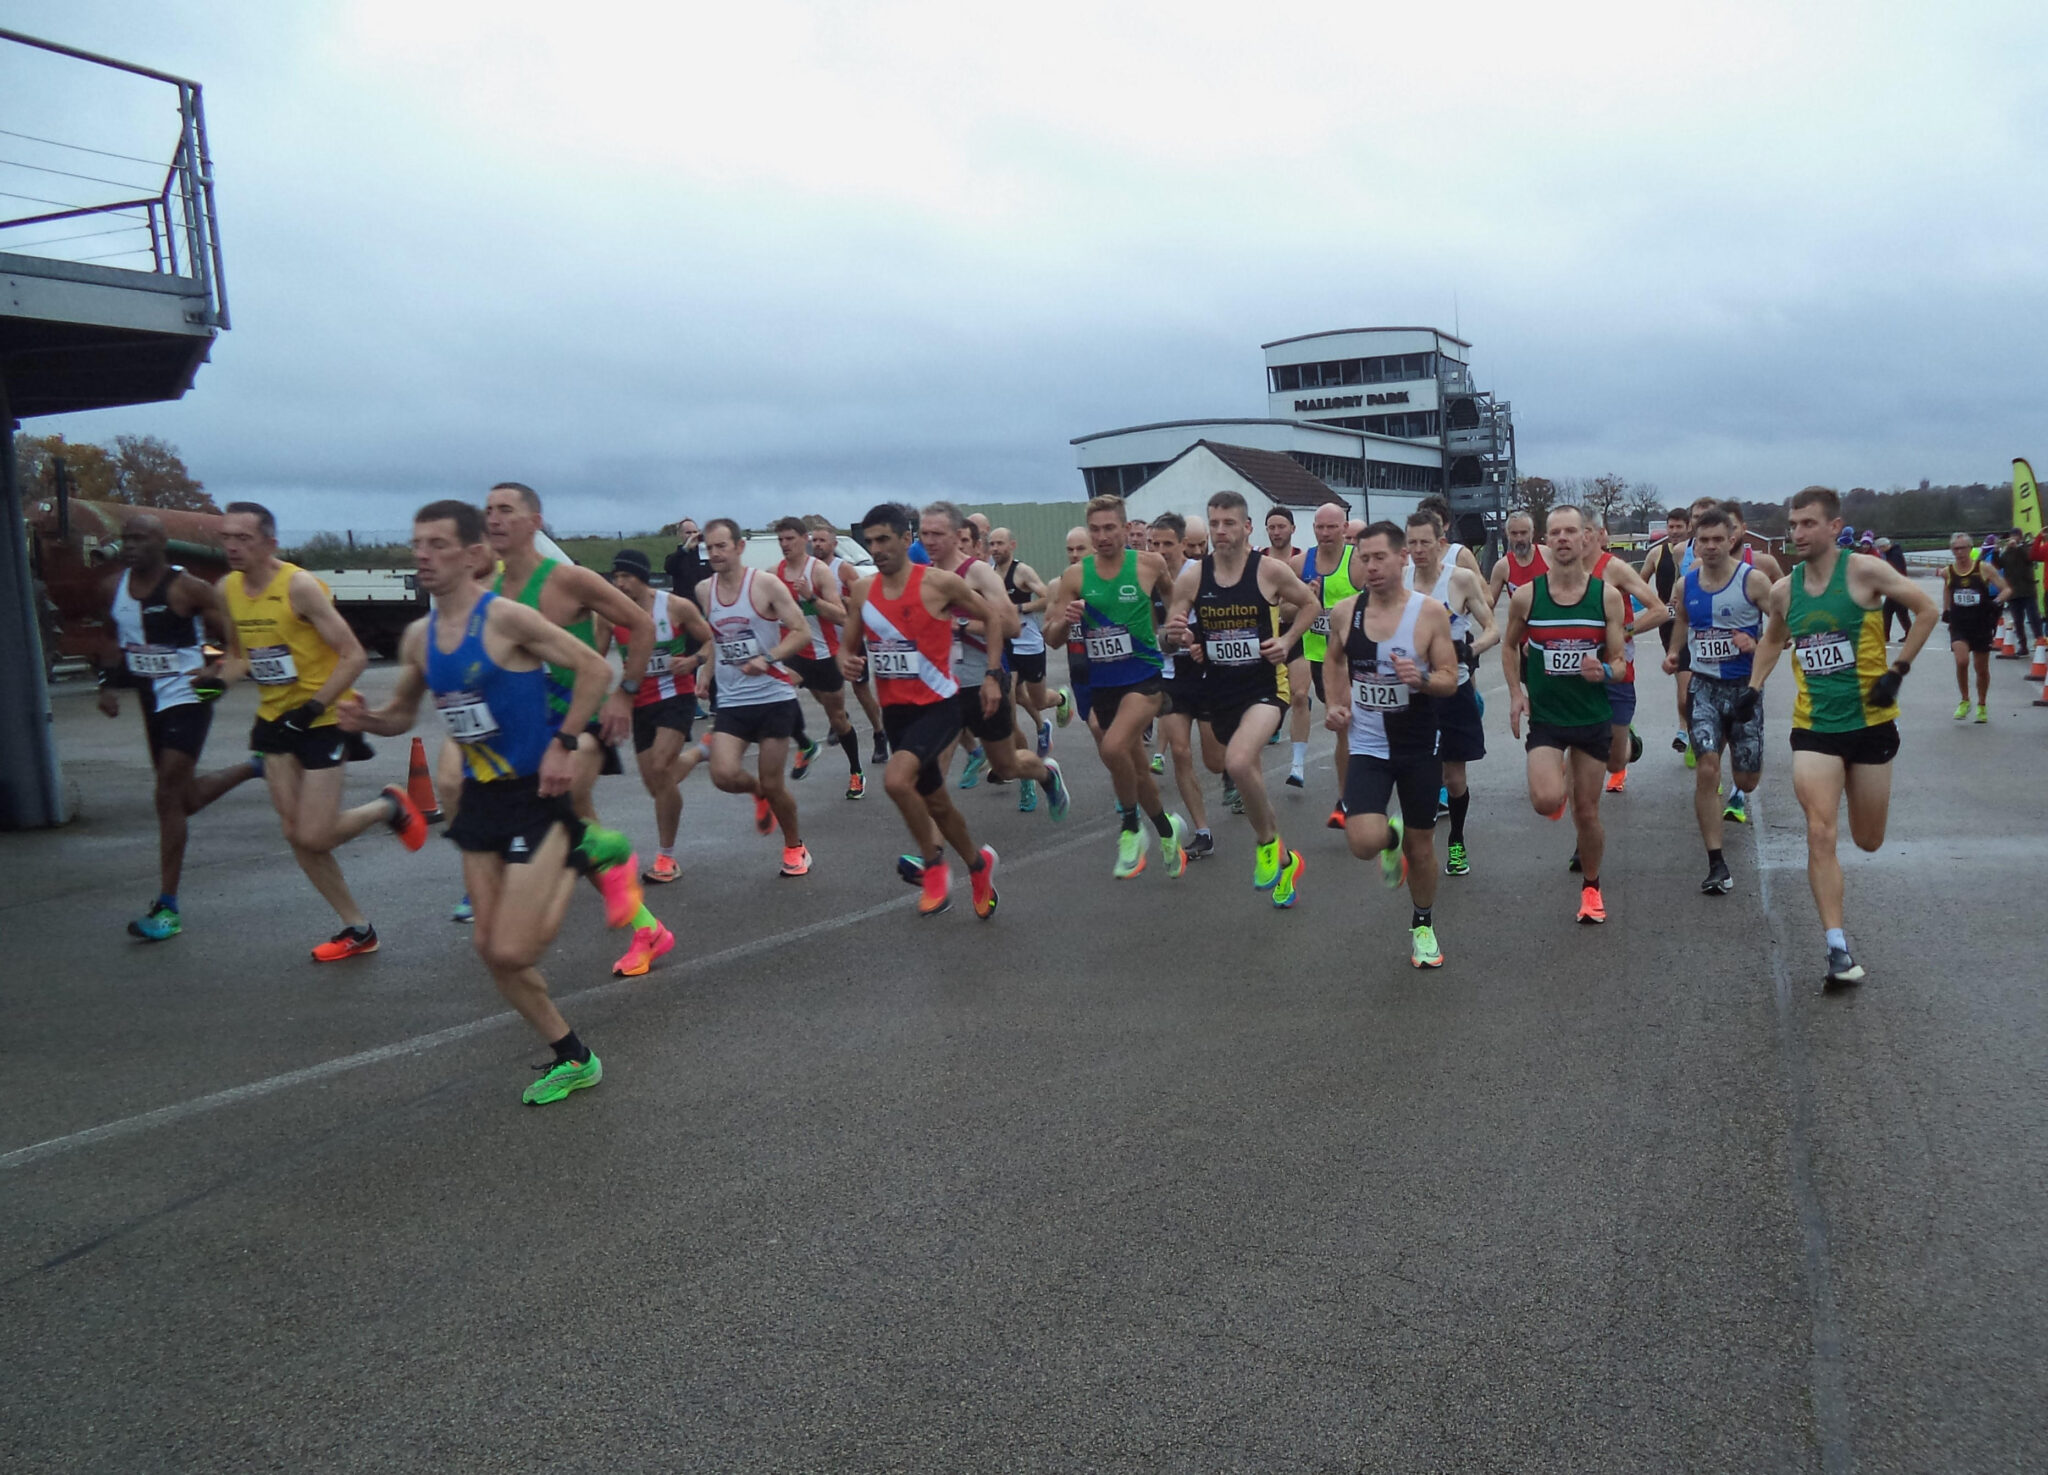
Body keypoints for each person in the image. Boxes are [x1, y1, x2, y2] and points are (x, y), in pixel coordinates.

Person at [338, 500, 614, 1104]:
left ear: (470, 556)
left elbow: (594, 668)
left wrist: (565, 744)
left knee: (515, 947)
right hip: (482, 801)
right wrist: (364, 719)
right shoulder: (419, 637)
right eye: (418, 544)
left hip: (537, 796)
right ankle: (574, 1057)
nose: (422, 555)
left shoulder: (508, 620)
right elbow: (401, 718)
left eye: (437, 545)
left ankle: (578, 846)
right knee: (490, 952)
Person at [216, 502, 429, 960]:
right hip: (274, 720)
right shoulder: (227, 589)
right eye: (226, 538)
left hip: (324, 718)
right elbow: (238, 656)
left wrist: (313, 707)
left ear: (270, 542)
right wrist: (211, 685)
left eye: (243, 538)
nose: (232, 547)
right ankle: (357, 928)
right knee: (296, 832)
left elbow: (352, 655)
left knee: (315, 835)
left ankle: (386, 807)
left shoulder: (299, 587)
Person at [1745, 486, 1937, 988]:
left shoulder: (1864, 571)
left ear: (1834, 526)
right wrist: (1754, 688)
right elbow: (1771, 641)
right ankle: (1836, 946)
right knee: (1819, 830)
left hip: (1871, 723)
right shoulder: (1785, 590)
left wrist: (1898, 670)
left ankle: (1839, 932)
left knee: (1869, 839)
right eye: (1792, 524)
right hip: (1815, 728)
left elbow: (1927, 609)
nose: (1797, 533)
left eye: (1808, 523)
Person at [486, 482, 659, 967]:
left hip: (578, 724)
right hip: (525, 732)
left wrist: (626, 691)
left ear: (534, 522)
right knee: (571, 821)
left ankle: (618, 869)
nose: (495, 519)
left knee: (559, 812)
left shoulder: (569, 580)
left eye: (506, 510)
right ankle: (644, 923)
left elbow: (642, 625)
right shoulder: (490, 589)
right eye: (489, 511)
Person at [98, 512, 260, 940]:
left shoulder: (187, 587)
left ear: (161, 542)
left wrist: (217, 669)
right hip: (150, 700)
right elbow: (111, 637)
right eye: (126, 537)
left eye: (141, 538)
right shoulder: (113, 588)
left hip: (189, 695)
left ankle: (167, 908)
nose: (131, 545)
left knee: (167, 793)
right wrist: (107, 685)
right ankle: (255, 767)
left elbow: (234, 636)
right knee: (182, 799)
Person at [838, 503, 1001, 917]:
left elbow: (994, 618)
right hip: (896, 712)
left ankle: (933, 867)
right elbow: (849, 646)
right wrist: (847, 660)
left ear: (906, 540)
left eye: (884, 540)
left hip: (940, 707)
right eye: (869, 541)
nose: (876, 549)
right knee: (939, 805)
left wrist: (993, 675)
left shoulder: (940, 584)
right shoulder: (862, 591)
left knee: (896, 781)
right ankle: (979, 866)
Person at [1163, 490, 1320, 904]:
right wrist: (1175, 635)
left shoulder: (1268, 570)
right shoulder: (1194, 576)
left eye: (1229, 522)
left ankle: (1267, 844)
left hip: (1265, 688)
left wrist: (1286, 641)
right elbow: (1166, 638)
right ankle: (1286, 861)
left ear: (1247, 527)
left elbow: (1310, 604)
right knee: (1227, 766)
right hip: (1219, 689)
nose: (1220, 531)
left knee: (1237, 761)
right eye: (1214, 523)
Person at [1324, 520, 1460, 965]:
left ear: (1403, 558)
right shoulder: (1346, 612)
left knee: (1421, 849)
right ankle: (1388, 840)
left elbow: (1448, 678)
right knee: (1362, 841)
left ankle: (1423, 925)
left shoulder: (1429, 612)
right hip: (1367, 745)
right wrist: (1337, 704)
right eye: (1364, 558)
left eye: (1380, 556)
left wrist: (1420, 679)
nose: (1371, 566)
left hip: (1418, 745)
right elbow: (1333, 658)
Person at [1043, 494, 1188, 879]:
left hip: (1144, 677)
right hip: (1102, 683)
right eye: (1096, 529)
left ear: (1126, 529)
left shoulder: (1150, 565)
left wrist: (1175, 633)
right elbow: (1052, 638)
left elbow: (1176, 607)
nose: (1103, 536)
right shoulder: (1075, 576)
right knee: (1136, 772)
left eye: (1110, 528)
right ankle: (1166, 830)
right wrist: (1067, 620)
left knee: (1111, 746)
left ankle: (1130, 829)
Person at [1500, 504, 1627, 925]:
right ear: (1546, 541)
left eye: (1571, 531)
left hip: (1591, 716)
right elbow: (1507, 646)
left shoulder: (1604, 596)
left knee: (1586, 812)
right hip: (1549, 718)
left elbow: (1621, 663)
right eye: (1555, 533)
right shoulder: (1528, 595)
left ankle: (1591, 887)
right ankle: (1557, 787)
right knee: (1546, 800)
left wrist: (1604, 671)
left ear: (1587, 538)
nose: (1563, 539)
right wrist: (1517, 693)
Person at [919, 503, 1070, 813]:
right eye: (924, 534)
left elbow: (1012, 626)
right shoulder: (924, 576)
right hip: (944, 685)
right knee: (934, 767)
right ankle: (930, 852)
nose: (930, 541)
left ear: (958, 534)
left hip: (982, 681)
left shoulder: (977, 573)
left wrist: (959, 623)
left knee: (1006, 765)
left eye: (938, 533)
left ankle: (1045, 772)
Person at [695, 517, 818, 875]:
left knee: (775, 781)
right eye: (709, 547)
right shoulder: (705, 590)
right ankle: (758, 793)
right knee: (722, 774)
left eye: (721, 546)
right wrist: (705, 673)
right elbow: (716, 638)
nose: (715, 553)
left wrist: (767, 659)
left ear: (739, 547)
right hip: (733, 700)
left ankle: (795, 846)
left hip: (773, 697)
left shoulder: (764, 585)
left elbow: (801, 631)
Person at [1662, 507, 1772, 895]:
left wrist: (1755, 642)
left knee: (1746, 778)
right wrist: (1675, 654)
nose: (1709, 547)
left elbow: (1783, 630)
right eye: (1702, 540)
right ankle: (1716, 863)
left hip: (1744, 689)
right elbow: (1683, 622)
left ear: (1731, 540)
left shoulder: (1753, 582)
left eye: (1716, 540)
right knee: (1707, 768)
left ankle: (1737, 783)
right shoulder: (1686, 585)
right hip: (1704, 687)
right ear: (1694, 541)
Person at [608, 548, 710, 907]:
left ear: (643, 577)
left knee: (662, 770)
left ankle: (666, 856)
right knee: (654, 782)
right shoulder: (610, 613)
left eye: (627, 577)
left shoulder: (675, 607)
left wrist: (694, 661)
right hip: (639, 705)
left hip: (675, 698)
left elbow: (712, 642)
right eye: (616, 577)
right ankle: (700, 752)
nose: (620, 584)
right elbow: (592, 656)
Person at [1402, 511, 1498, 876]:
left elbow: (1492, 629)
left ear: (1441, 542)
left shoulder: (1460, 580)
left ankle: (1456, 839)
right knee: (1416, 771)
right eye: (1411, 543)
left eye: (1425, 542)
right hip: (1411, 693)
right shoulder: (1400, 579)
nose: (1418, 550)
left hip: (1452, 689)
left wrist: (1469, 651)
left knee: (1453, 779)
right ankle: (1417, 845)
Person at [772, 516, 865, 797]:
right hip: (793, 653)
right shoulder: (774, 574)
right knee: (775, 695)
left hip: (824, 654)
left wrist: (811, 598)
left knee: (837, 718)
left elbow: (841, 616)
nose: (785, 545)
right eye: (781, 540)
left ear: (804, 540)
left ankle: (856, 771)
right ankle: (805, 744)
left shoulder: (819, 572)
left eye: (790, 539)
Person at [1583, 513, 1670, 797]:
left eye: (1586, 531)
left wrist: (1624, 631)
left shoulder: (1615, 569)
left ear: (1601, 534)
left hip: (1616, 669)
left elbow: (1659, 610)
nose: (1579, 538)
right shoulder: (1561, 570)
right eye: (1573, 531)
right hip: (1579, 672)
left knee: (1615, 761)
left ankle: (1629, 740)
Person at [1150, 512, 1214, 853]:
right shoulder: (1147, 579)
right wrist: (1165, 639)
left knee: (1215, 760)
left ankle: (1233, 774)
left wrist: (1196, 638)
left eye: (1167, 544)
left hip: (1203, 672)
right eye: (1154, 543)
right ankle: (1203, 832)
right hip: (1172, 673)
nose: (1160, 551)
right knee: (1180, 751)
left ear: (1183, 545)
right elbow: (1150, 629)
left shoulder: (1201, 574)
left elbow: (1217, 620)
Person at [807, 516, 888, 764]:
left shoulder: (842, 569)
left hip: (847, 638)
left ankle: (879, 732)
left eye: (822, 540)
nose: (817, 544)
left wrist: (841, 603)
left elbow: (862, 600)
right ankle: (840, 716)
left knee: (860, 689)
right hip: (821, 641)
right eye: (814, 540)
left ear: (833, 544)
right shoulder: (808, 569)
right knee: (818, 688)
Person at [1298, 501, 1359, 810]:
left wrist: (1347, 614)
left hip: (1355, 660)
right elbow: (1280, 608)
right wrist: (1304, 601)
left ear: (1345, 528)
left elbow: (1378, 603)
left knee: (1347, 726)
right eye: (1320, 527)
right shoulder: (1301, 563)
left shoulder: (1357, 561)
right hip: (1320, 659)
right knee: (1346, 728)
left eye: (1332, 526)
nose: (1325, 533)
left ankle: (1346, 797)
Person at [990, 525, 1055, 806]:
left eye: (1000, 544)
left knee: (1038, 701)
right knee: (1011, 705)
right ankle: (1026, 781)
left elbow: (1047, 598)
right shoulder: (989, 575)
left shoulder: (1022, 571)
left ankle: (1059, 699)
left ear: (1012, 545)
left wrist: (1019, 609)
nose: (995, 549)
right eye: (991, 544)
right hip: (1007, 647)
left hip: (1029, 644)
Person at [1638, 505, 1696, 757]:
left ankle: (1694, 730)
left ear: (1688, 527)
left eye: (1678, 527)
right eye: (1670, 527)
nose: (1673, 532)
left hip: (1698, 623)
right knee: (1684, 682)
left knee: (1695, 682)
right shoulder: (1656, 553)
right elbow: (1639, 587)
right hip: (1670, 625)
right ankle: (1686, 729)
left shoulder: (1699, 551)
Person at [1264, 507, 1314, 774]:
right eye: (1271, 527)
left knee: (1300, 694)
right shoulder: (1258, 560)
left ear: (1293, 529)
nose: (1276, 532)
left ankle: (1297, 765)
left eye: (1281, 526)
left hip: (1297, 636)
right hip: (1265, 638)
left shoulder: (1302, 560)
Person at [1940, 531, 2006, 722]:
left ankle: (1982, 704)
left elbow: (2006, 588)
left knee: (1981, 668)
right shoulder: (1948, 571)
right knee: (1961, 661)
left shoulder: (1984, 569)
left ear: (1970, 548)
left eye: (1963, 548)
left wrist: (1997, 602)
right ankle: (1965, 700)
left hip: (1981, 625)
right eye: (1955, 549)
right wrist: (1946, 610)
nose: (1959, 552)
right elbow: (1947, 589)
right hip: (1959, 625)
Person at [1484, 511, 1547, 609]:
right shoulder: (1502, 567)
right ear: (1507, 534)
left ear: (1532, 533)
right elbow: (1488, 606)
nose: (1519, 539)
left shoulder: (1548, 556)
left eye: (1523, 533)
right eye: (1514, 533)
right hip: (1521, 622)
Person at [1997, 527, 2043, 654]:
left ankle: (2040, 641)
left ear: (2020, 537)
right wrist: (1997, 551)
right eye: (2011, 536)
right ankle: (2023, 646)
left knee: (2034, 617)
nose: (2012, 538)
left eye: (2015, 536)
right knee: (2017, 620)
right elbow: (1999, 564)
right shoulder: (2007, 552)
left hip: (2027, 589)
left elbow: (2030, 558)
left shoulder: (2026, 547)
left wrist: (2017, 547)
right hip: (2013, 591)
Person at [662, 518, 711, 625]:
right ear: (680, 534)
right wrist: (685, 549)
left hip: (707, 608)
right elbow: (669, 568)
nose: (692, 536)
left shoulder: (707, 555)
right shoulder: (677, 557)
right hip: (685, 610)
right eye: (688, 533)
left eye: (695, 532)